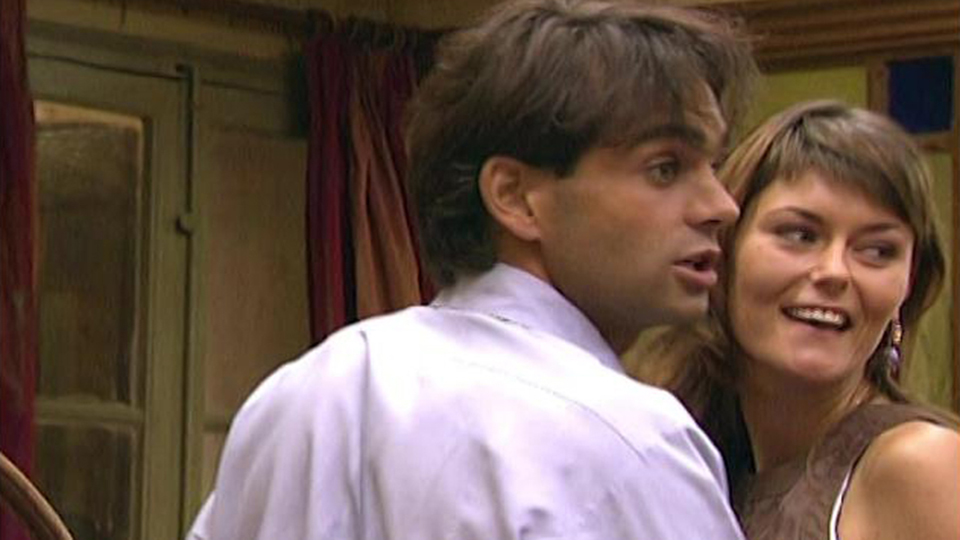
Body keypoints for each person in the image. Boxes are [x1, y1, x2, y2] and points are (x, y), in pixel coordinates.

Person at [187, 0, 758, 538]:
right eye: (665, 169)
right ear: (515, 196)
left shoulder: (307, 392)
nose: (720, 206)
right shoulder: (632, 445)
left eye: (715, 165)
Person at [642, 100, 960, 540]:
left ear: (908, 287)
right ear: (724, 251)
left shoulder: (919, 465)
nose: (834, 271)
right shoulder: (688, 458)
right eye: (800, 235)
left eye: (877, 250)